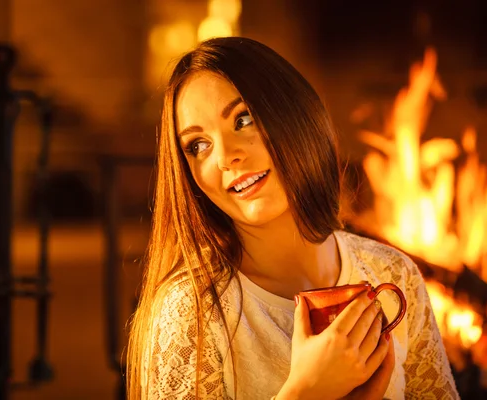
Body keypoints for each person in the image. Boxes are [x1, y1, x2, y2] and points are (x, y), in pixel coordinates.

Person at [126, 36, 459, 400]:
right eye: (198, 145)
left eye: (244, 119)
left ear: (295, 116)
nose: (225, 156)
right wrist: (306, 392)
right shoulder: (192, 311)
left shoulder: (394, 275)